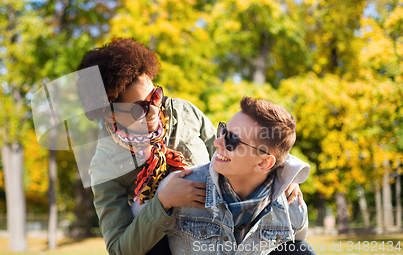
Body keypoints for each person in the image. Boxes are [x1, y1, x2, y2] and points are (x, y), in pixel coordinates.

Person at [77, 38, 307, 255]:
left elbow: (235, 150)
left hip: (223, 231)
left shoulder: (183, 112)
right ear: (110, 115)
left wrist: (280, 172)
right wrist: (163, 203)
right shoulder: (104, 165)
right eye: (139, 108)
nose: (155, 111)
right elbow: (119, 248)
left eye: (155, 96)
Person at [164, 97, 316, 255]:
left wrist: (289, 177)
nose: (217, 142)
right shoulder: (179, 189)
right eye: (223, 130)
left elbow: (299, 244)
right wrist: (163, 202)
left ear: (264, 163)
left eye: (231, 139)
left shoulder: (292, 205)